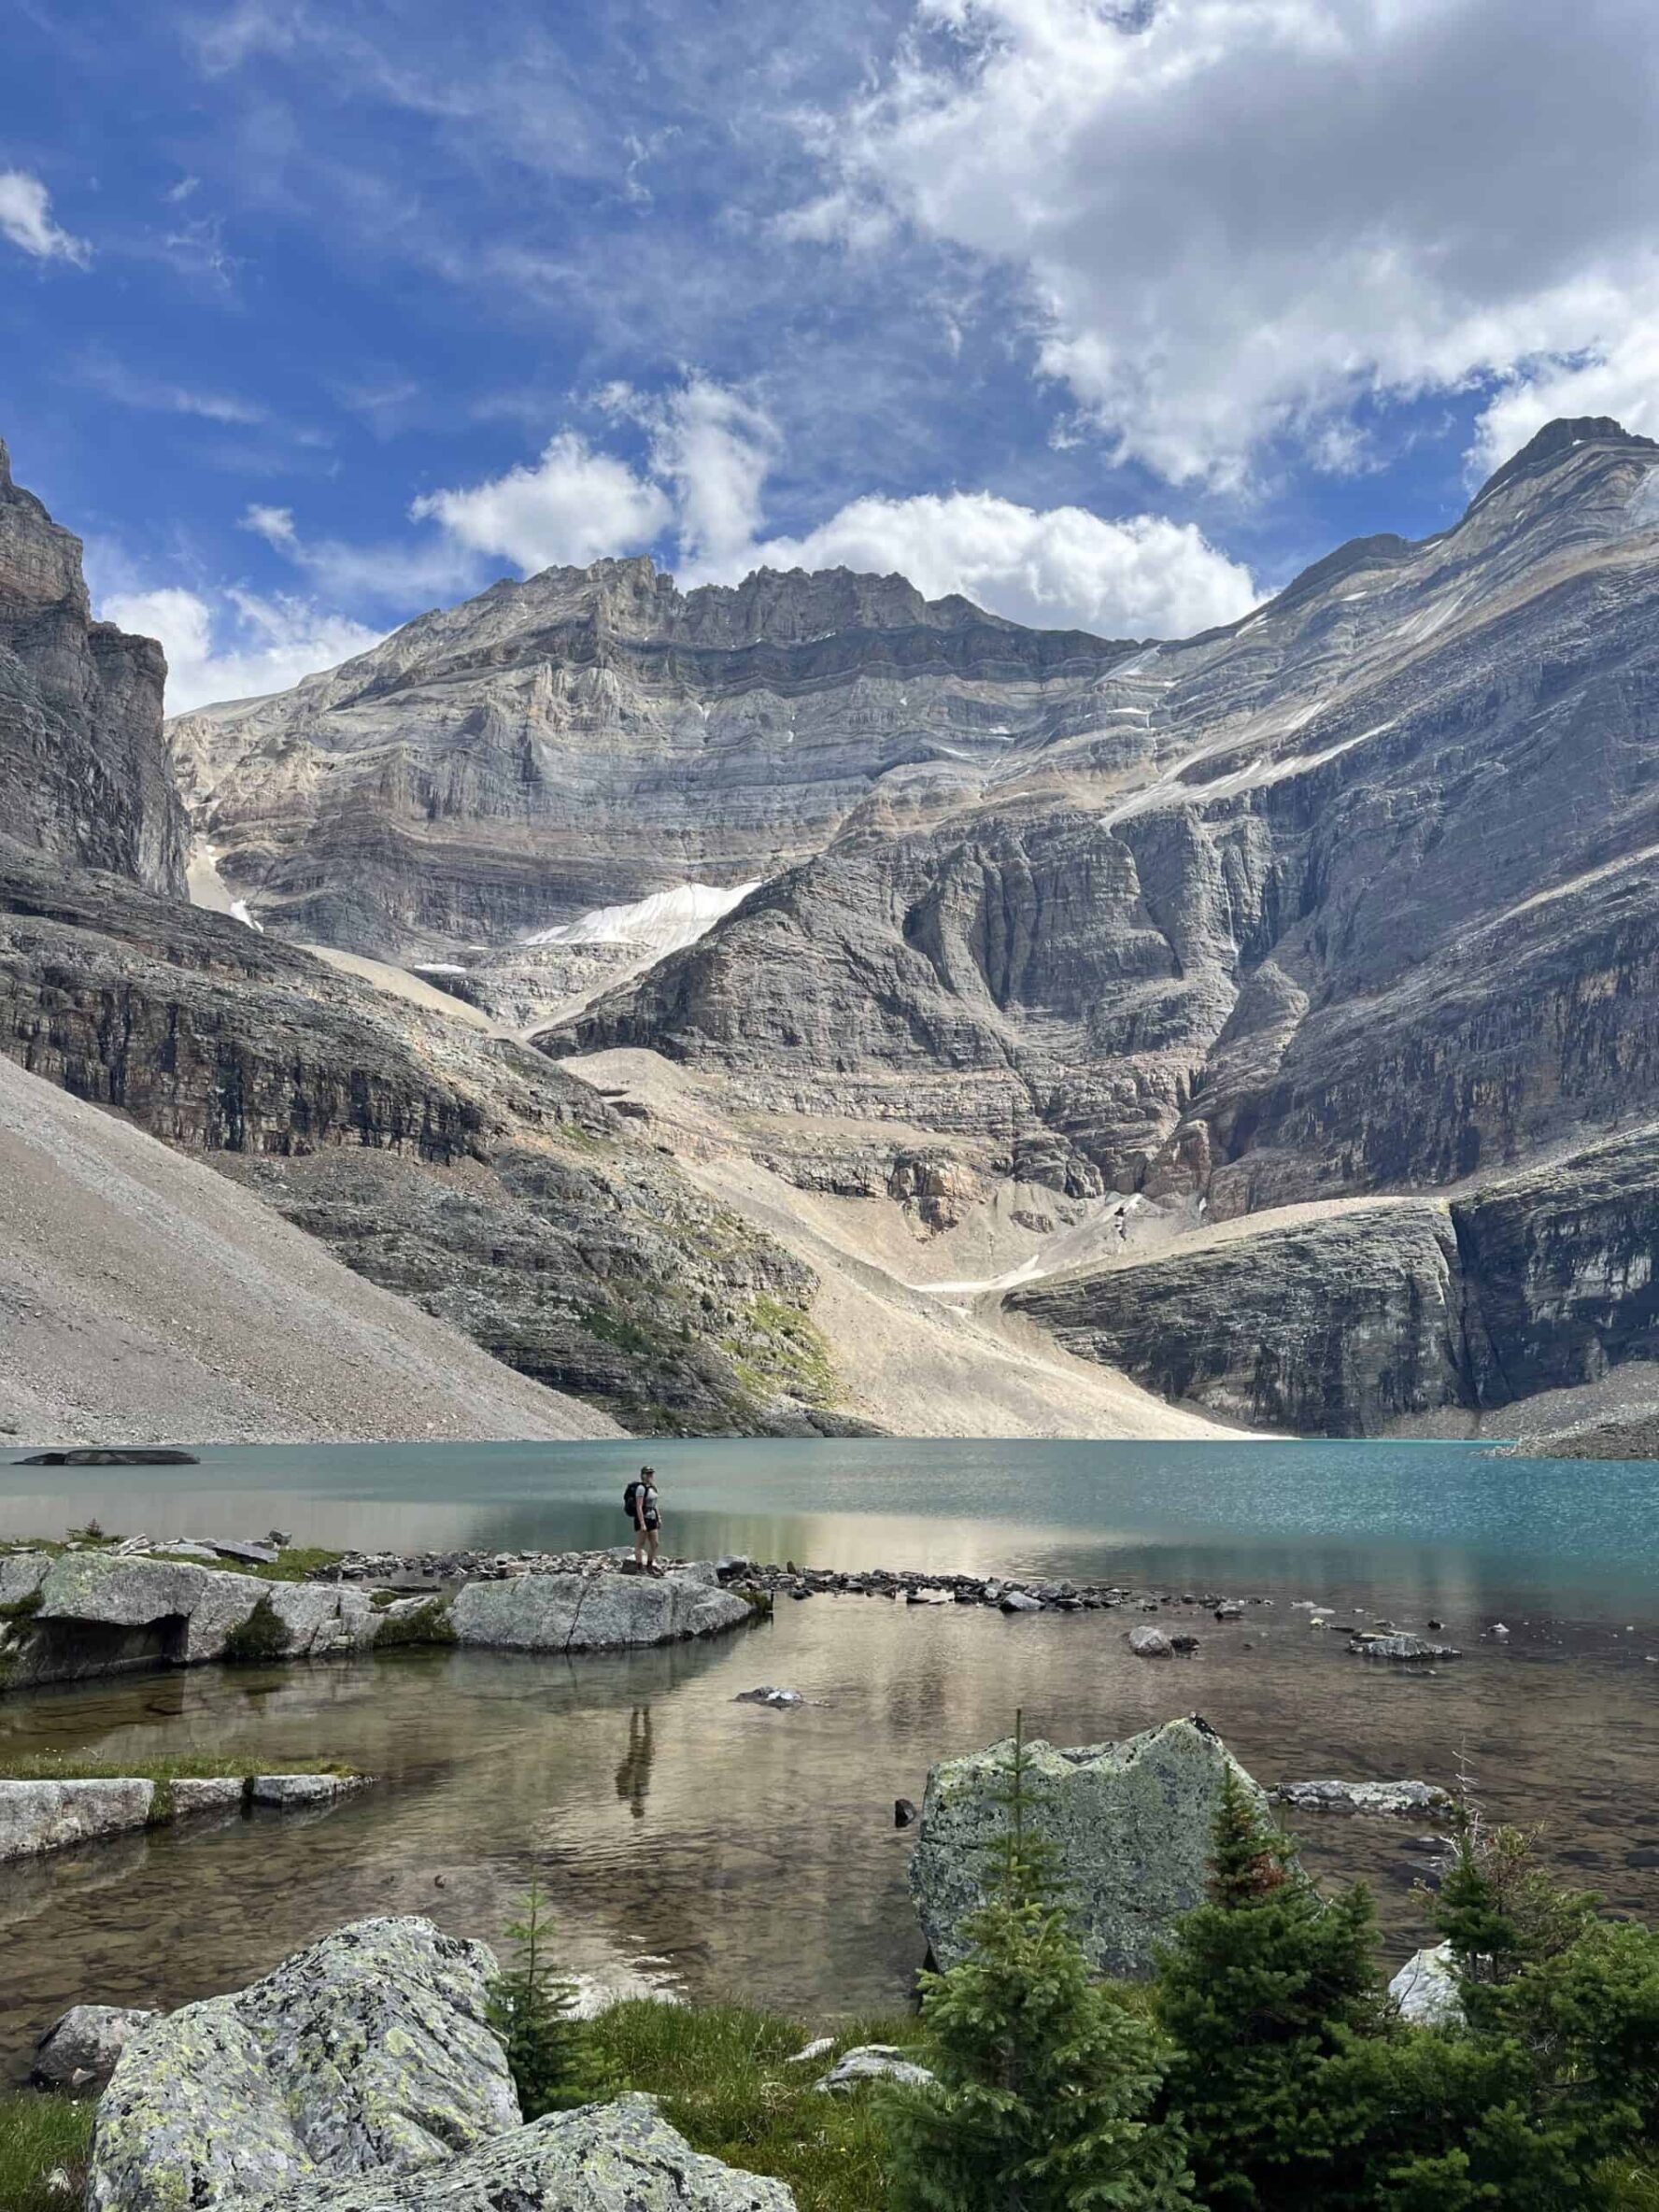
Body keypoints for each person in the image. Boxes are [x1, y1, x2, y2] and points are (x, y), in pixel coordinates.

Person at [631, 1465, 662, 1576]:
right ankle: (639, 1568)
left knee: (655, 1543)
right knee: (640, 1544)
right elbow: (639, 1507)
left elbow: (655, 1504)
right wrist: (642, 1523)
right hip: (643, 1519)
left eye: (651, 1473)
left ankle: (649, 1566)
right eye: (648, 1473)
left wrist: (659, 1517)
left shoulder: (652, 1487)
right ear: (643, 1475)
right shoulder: (641, 1488)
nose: (650, 1475)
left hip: (652, 1518)